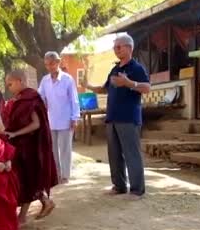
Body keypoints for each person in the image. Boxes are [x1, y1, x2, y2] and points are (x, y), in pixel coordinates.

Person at [83, 33, 150, 200]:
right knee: (114, 154)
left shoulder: (136, 68)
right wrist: (88, 86)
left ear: (129, 47)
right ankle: (119, 186)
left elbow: (147, 88)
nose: (116, 50)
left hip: (128, 118)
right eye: (115, 47)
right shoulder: (115, 68)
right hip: (112, 117)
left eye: (119, 47)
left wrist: (129, 83)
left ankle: (137, 190)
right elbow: (105, 88)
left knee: (131, 153)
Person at [4, 70, 58, 224]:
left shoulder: (31, 98)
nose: (9, 88)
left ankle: (23, 216)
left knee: (27, 178)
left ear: (20, 80)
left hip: (30, 146)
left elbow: (36, 124)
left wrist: (16, 134)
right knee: (26, 178)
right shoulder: (21, 98)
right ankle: (45, 203)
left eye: (10, 84)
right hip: (21, 145)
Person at [38, 51, 81, 185]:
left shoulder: (67, 79)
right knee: (52, 149)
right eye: (47, 64)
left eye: (51, 63)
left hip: (66, 119)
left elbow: (74, 100)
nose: (49, 67)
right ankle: (56, 174)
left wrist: (75, 118)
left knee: (65, 149)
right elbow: (39, 97)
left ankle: (65, 176)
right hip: (51, 120)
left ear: (58, 62)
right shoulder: (45, 80)